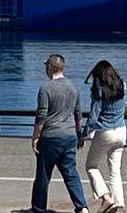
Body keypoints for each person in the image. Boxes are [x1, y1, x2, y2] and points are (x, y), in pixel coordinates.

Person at [30, 54, 88, 213]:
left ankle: (38, 208)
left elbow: (41, 115)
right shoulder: (73, 87)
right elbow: (78, 114)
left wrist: (35, 137)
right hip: (69, 136)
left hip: (51, 136)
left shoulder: (46, 88)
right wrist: (79, 135)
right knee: (71, 173)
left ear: (50, 67)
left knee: (43, 174)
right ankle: (81, 206)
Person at [82, 60, 127, 213]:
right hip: (121, 130)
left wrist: (83, 135)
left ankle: (106, 197)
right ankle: (119, 204)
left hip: (105, 131)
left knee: (91, 166)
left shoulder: (100, 90)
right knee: (115, 170)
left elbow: (93, 117)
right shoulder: (122, 85)